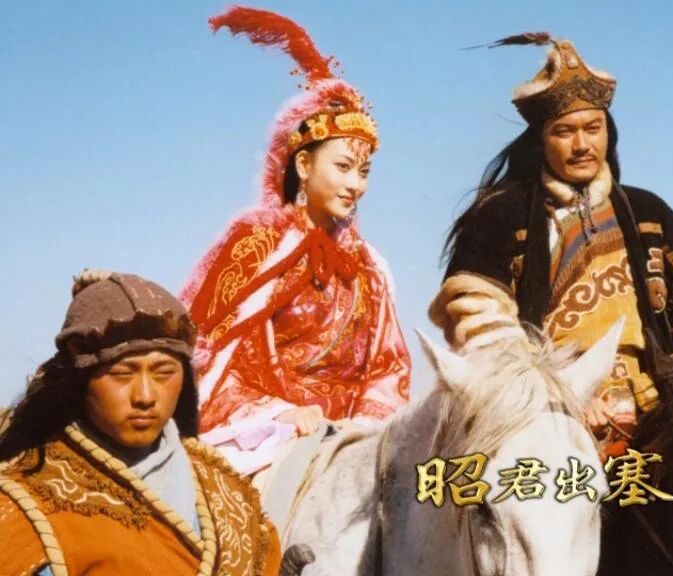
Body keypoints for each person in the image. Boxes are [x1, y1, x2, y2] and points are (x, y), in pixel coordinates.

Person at [430, 33, 673, 458]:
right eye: (564, 132)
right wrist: (564, 394)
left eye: (592, 129)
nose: (582, 145)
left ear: (607, 133)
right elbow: (480, 321)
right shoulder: (501, 216)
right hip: (546, 414)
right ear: (541, 140)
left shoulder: (648, 213)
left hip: (658, 415)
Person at [180, 7, 410, 479]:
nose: (356, 184)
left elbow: (388, 366)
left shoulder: (370, 266)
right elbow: (214, 354)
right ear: (304, 166)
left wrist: (363, 425)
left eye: (364, 172)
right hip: (263, 431)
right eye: (343, 167)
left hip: (352, 437)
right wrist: (279, 412)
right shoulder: (257, 244)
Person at [0, 271, 280, 576]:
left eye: (164, 373)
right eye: (122, 374)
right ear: (80, 380)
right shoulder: (27, 503)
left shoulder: (223, 485)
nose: (145, 396)